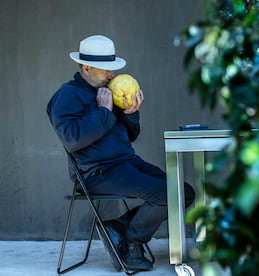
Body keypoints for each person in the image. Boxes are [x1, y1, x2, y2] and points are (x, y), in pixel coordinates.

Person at [47, 35, 195, 271]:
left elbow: (131, 135)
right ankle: (133, 242)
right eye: (106, 70)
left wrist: (130, 112)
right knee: (166, 193)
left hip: (127, 163)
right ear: (86, 67)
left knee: (184, 192)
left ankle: (117, 229)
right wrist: (105, 111)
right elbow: (72, 138)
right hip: (97, 173)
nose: (111, 75)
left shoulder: (109, 90)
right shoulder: (67, 95)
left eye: (112, 69)